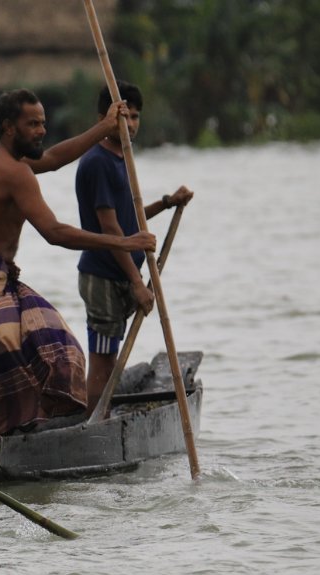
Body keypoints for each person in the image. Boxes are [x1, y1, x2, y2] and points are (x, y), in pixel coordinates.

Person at [0, 88, 157, 437]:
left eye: (43, 123)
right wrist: (124, 241)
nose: (42, 130)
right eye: (33, 124)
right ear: (10, 128)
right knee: (17, 370)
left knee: (55, 347)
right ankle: (2, 440)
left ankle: (17, 433)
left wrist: (104, 127)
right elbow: (55, 232)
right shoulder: (12, 172)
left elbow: (56, 157)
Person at [74, 81, 194, 413]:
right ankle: (92, 429)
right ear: (104, 118)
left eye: (136, 117)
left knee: (110, 362)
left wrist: (168, 202)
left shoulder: (121, 158)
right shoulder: (98, 162)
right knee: (102, 364)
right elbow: (112, 229)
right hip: (103, 278)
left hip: (119, 276)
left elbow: (132, 217)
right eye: (124, 118)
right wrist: (137, 283)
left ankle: (102, 420)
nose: (130, 125)